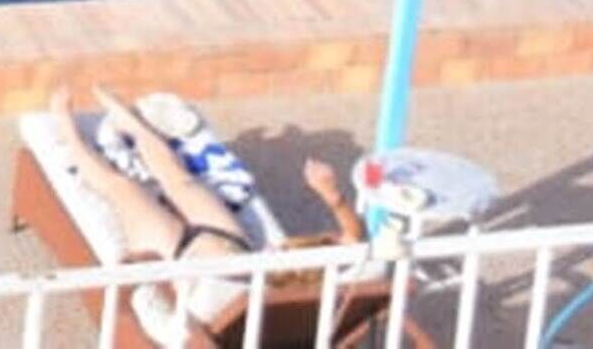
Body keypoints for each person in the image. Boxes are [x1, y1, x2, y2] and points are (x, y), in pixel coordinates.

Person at [46, 88, 365, 279]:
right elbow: (353, 239)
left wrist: (144, 270)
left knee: (122, 188)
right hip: (230, 246)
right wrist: (332, 196)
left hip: (181, 264)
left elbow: (352, 241)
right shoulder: (324, 300)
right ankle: (129, 123)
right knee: (180, 179)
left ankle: (65, 127)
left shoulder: (278, 310)